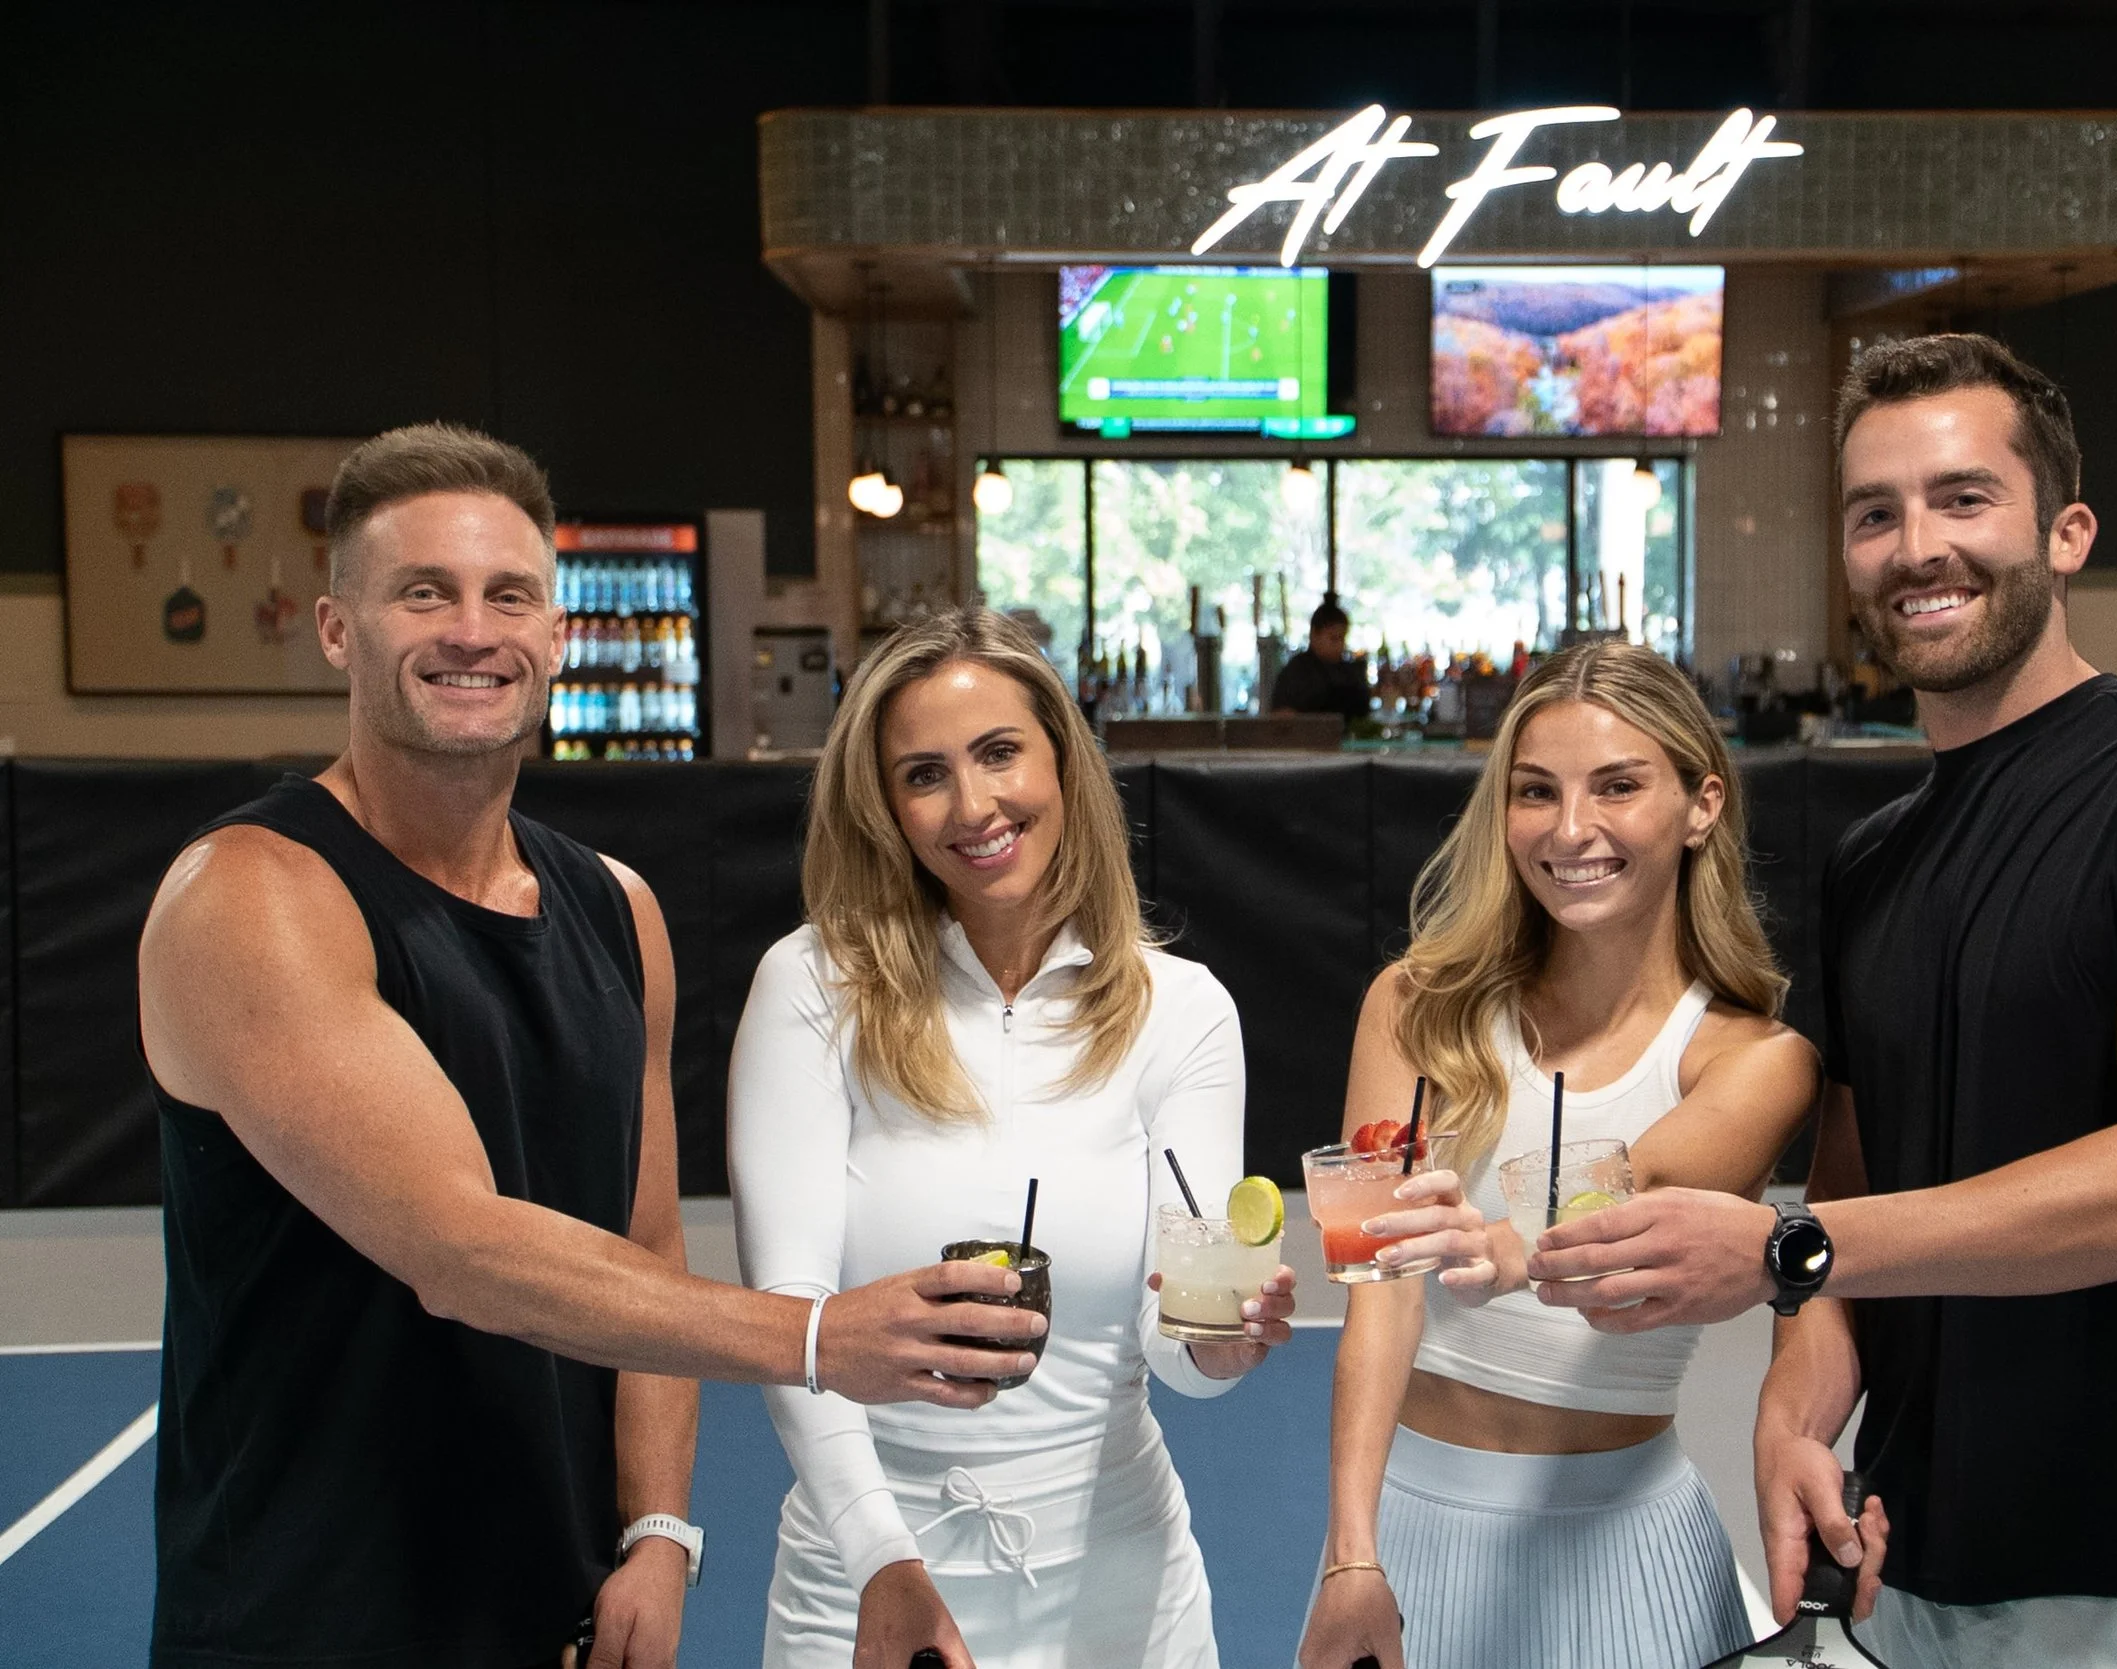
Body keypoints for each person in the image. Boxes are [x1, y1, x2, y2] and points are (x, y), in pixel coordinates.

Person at [137, 425, 1043, 1669]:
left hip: (558, 1615)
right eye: (423, 592)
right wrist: (818, 1339)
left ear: (556, 636)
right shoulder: (250, 897)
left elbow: (646, 1240)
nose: (471, 629)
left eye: (508, 594)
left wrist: (661, 1530)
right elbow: (460, 1249)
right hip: (309, 1618)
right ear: (337, 629)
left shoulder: (619, 911)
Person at [1529, 335, 2117, 1669]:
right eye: (1876, 514)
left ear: (2067, 532)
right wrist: (1796, 1419)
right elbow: (1853, 1202)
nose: (1918, 546)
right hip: (1911, 1579)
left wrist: (1787, 1253)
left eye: (1963, 499)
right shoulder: (1875, 861)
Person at [726, 605, 1301, 1669]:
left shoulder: (1183, 1010)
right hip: (865, 1592)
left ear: (1064, 765)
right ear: (884, 806)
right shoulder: (810, 986)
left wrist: (1221, 1341)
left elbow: (1177, 1337)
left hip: (1122, 1596)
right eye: (925, 773)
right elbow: (791, 1324)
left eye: (999, 754)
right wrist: (883, 1566)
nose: (974, 804)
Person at [1298, 640, 1820, 1669]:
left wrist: (1496, 1247)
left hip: (1627, 1554)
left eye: (1617, 786)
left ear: (1701, 803)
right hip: (1405, 1538)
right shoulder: (1410, 1007)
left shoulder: (1759, 1059)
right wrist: (1351, 1553)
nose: (1570, 829)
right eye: (1535, 792)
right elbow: (1375, 1284)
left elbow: (1634, 1190)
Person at [1268, 598, 1371, 724]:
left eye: (1342, 638)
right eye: (1333, 638)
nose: (1339, 645)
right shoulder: (1296, 672)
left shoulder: (1349, 673)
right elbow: (1280, 716)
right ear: (1314, 635)